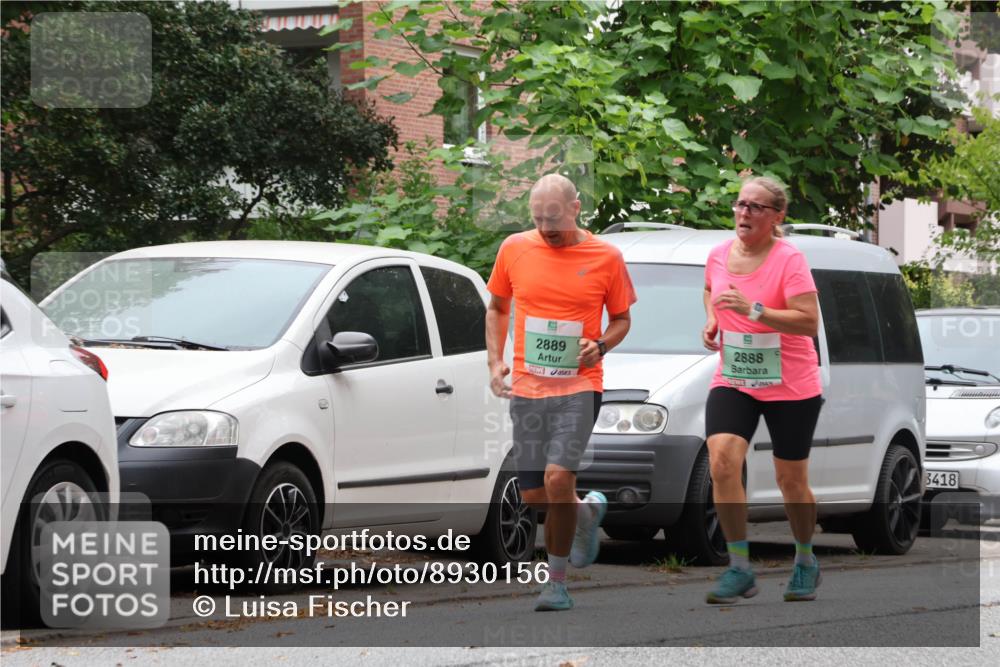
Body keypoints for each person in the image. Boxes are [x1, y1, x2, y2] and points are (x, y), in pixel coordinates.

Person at [485, 173, 636, 611]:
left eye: (554, 217)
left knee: (557, 478)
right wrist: (495, 362)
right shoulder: (515, 248)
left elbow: (622, 319)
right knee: (534, 496)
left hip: (580, 385)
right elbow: (497, 307)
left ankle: (556, 582)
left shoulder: (606, 256)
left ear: (575, 209)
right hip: (529, 386)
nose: (546, 226)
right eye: (538, 218)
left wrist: (601, 344)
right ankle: (585, 513)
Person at [701, 176, 824, 604]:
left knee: (791, 480)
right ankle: (739, 567)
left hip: (790, 381)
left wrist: (753, 309)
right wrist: (714, 320)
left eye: (756, 207)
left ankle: (805, 559)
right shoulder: (717, 256)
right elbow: (709, 292)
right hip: (735, 376)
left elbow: (809, 321)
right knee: (721, 461)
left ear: (777, 217)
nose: (744, 213)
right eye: (740, 205)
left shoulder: (789, 260)